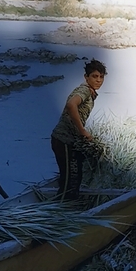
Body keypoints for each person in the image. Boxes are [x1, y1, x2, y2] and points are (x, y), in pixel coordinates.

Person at [51, 59, 107, 201]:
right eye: (94, 76)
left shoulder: (90, 92)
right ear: (86, 77)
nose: (98, 80)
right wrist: (82, 131)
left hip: (69, 141)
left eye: (101, 77)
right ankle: (62, 207)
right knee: (70, 180)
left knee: (75, 175)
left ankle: (69, 203)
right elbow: (71, 105)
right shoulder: (84, 90)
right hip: (63, 140)